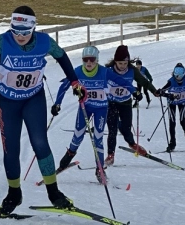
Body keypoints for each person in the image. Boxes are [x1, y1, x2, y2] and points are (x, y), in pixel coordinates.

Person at [0, 5, 87, 216]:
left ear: (33, 28)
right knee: (10, 149)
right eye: (16, 31)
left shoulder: (44, 41)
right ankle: (14, 193)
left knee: (40, 143)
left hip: (33, 99)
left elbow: (61, 56)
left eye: (25, 32)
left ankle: (54, 192)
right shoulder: (2, 41)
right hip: (8, 102)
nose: (20, 36)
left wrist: (75, 82)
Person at [52, 46, 138, 183]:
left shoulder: (104, 72)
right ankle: (68, 156)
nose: (89, 63)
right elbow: (64, 86)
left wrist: (133, 90)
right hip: (85, 107)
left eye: (92, 60)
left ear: (97, 60)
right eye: (85, 60)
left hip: (101, 109)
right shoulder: (78, 71)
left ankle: (100, 169)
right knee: (78, 135)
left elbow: (120, 81)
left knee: (98, 137)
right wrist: (57, 104)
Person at [104, 45, 159, 166]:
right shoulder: (108, 70)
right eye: (120, 63)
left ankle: (132, 144)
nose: (122, 66)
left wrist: (154, 91)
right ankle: (110, 154)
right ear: (115, 61)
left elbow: (144, 81)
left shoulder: (132, 70)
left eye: (125, 63)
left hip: (126, 103)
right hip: (111, 103)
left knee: (126, 128)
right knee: (112, 130)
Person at [156, 63, 185, 152]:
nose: (178, 79)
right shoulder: (171, 81)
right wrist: (168, 95)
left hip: (182, 103)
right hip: (172, 103)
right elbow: (160, 92)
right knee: (172, 123)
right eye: (177, 76)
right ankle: (172, 144)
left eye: (180, 77)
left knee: (183, 122)